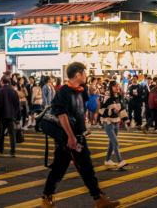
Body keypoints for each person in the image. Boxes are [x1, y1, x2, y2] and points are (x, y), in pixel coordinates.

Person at [41, 63, 118, 208]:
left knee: (60, 168)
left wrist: (94, 95)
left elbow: (87, 108)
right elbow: (61, 115)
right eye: (84, 73)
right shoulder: (63, 92)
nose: (86, 75)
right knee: (86, 167)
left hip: (77, 135)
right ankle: (99, 199)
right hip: (69, 137)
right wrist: (71, 137)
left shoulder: (81, 90)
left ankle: (47, 197)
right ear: (78, 74)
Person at [100, 81, 127, 168]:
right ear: (111, 87)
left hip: (116, 122)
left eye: (118, 86)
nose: (117, 87)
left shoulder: (118, 97)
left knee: (112, 143)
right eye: (115, 86)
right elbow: (102, 110)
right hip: (108, 122)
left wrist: (126, 121)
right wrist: (111, 111)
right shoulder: (107, 97)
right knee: (115, 142)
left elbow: (122, 109)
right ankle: (120, 161)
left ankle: (107, 160)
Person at [0, 76, 20, 157]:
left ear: (2, 82)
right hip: (11, 116)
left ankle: (0, 149)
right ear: (9, 82)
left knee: (1, 134)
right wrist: (18, 117)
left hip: (1, 116)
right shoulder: (14, 91)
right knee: (12, 135)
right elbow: (17, 105)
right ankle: (13, 151)